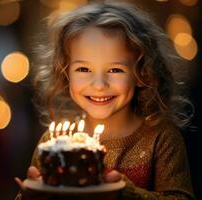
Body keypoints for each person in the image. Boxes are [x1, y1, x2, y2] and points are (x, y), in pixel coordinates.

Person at [15, 1, 196, 200]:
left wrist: (126, 194)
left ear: (142, 73)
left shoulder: (161, 138)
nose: (99, 85)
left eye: (115, 70)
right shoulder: (54, 144)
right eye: (83, 69)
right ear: (65, 72)